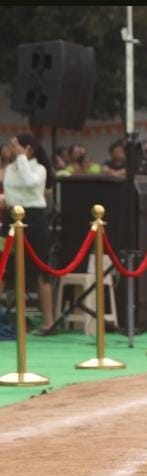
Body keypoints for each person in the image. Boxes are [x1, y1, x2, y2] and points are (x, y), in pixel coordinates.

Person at [3, 134, 55, 333]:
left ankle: (48, 322)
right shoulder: (10, 169)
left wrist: (22, 158)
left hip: (33, 219)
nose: (11, 149)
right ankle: (13, 320)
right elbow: (10, 194)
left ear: (29, 149)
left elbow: (30, 183)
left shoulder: (39, 169)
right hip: (11, 217)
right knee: (6, 268)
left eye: (15, 146)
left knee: (40, 270)